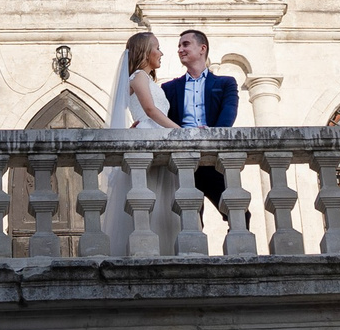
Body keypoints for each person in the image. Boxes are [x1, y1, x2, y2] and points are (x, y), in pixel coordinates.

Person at [102, 31, 175, 254]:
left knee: (161, 196)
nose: (161, 53)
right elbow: (150, 110)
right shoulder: (138, 77)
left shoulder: (149, 80)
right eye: (157, 48)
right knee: (150, 194)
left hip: (157, 135)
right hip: (151, 136)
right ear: (145, 51)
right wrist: (181, 131)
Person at [161, 28, 239, 220]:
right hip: (182, 158)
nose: (180, 49)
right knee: (187, 217)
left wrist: (212, 134)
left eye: (185, 44)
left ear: (202, 48)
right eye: (179, 46)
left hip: (214, 159)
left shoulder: (226, 83)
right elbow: (161, 117)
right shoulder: (169, 88)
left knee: (237, 211)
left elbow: (229, 112)